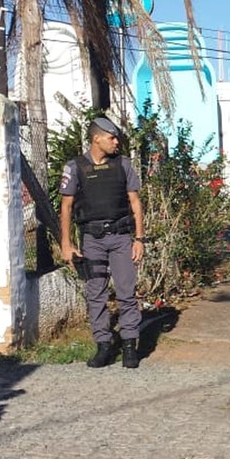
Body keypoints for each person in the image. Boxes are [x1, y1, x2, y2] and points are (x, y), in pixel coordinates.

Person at [60, 117, 145, 368]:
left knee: (126, 292)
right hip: (92, 240)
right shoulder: (75, 167)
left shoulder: (123, 165)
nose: (116, 142)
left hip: (120, 238)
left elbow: (135, 203)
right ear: (96, 139)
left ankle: (129, 346)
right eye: (112, 138)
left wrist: (139, 239)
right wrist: (66, 244)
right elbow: (66, 207)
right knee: (96, 293)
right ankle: (103, 346)